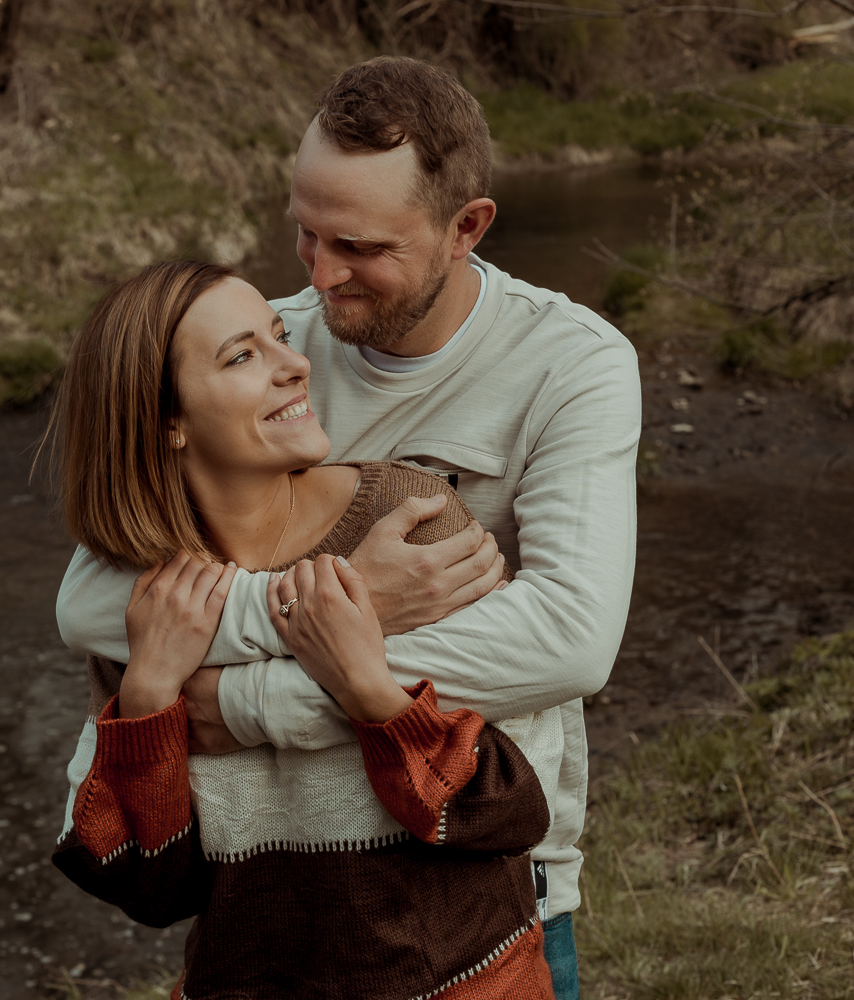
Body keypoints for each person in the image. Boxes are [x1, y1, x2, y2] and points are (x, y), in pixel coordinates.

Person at [56, 57, 641, 998]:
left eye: (360, 246)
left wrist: (245, 707)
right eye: (305, 233)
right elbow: (92, 600)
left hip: (481, 888)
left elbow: (570, 642)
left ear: (467, 228)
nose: (323, 279)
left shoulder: (571, 365)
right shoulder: (264, 345)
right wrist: (345, 605)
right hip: (277, 908)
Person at [50, 258, 559, 999]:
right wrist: (149, 698)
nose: (296, 364)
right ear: (168, 422)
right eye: (242, 355)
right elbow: (151, 889)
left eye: (280, 337)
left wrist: (370, 694)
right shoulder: (148, 604)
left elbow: (515, 811)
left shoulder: (408, 520)